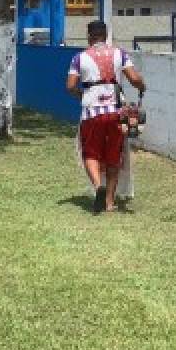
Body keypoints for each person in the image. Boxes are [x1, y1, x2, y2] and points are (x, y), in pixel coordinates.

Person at [66, 20, 146, 213]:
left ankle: (97, 187)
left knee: (90, 153)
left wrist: (83, 96)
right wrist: (142, 86)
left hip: (91, 113)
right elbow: (135, 79)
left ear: (89, 36)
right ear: (106, 35)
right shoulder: (120, 54)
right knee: (114, 156)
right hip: (116, 113)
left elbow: (70, 86)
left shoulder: (79, 58)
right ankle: (109, 202)